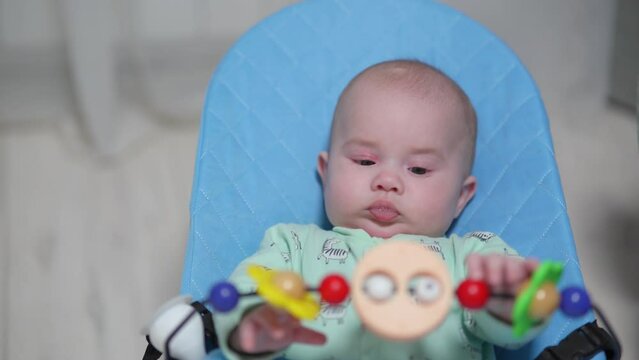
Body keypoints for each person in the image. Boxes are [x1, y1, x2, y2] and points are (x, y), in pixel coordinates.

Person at [213, 59, 544, 360]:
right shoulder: (294, 247)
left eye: (418, 169)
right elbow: (244, 294)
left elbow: (517, 325)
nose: (387, 181)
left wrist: (507, 303)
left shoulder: (472, 257)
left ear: (462, 195)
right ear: (326, 173)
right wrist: (256, 322)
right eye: (365, 161)